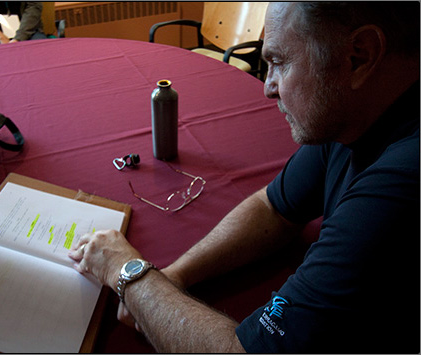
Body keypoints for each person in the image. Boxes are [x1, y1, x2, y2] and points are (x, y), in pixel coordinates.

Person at [69, 2, 420, 353]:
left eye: (280, 62)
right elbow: (275, 208)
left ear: (359, 56)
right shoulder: (356, 112)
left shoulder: (403, 183)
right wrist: (174, 276)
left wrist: (127, 273)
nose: (267, 86)